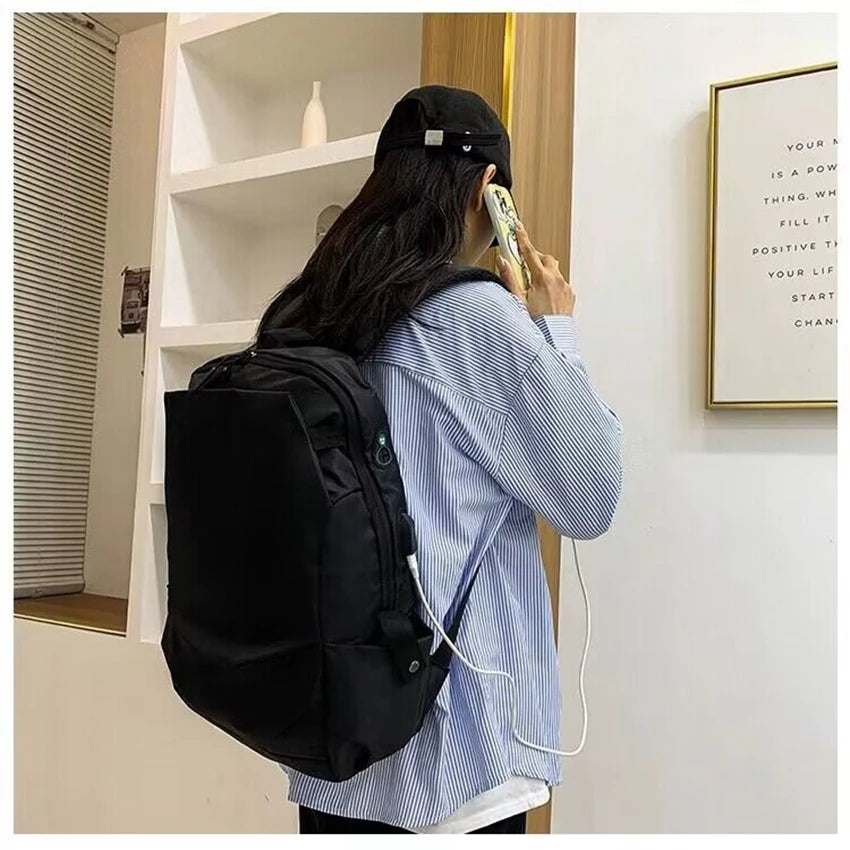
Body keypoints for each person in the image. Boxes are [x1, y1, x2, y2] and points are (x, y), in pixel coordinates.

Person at [256, 85, 623, 834]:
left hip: (331, 742)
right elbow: (591, 495)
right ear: (489, 191)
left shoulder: (311, 310)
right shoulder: (472, 314)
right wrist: (555, 327)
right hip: (455, 760)